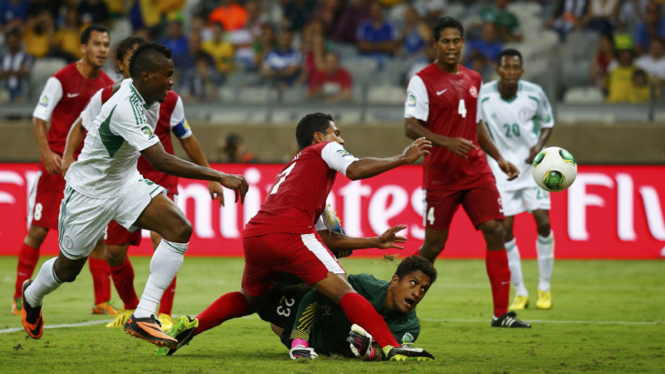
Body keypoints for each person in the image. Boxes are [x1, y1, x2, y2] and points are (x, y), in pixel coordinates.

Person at [19, 42, 249, 347]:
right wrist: (220, 175)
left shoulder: (143, 92)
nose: (171, 81)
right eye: (166, 75)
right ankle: (32, 294)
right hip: (89, 193)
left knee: (179, 229)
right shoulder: (125, 106)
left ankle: (143, 315)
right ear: (146, 76)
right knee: (68, 268)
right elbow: (161, 159)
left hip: (125, 182)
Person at [154, 113, 435, 361]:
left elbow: (328, 239)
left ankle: (193, 324)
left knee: (250, 300)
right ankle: (390, 345)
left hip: (256, 235)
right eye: (336, 133)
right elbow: (356, 169)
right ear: (319, 136)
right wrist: (404, 157)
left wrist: (374, 242)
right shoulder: (325, 149)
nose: (341, 140)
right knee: (344, 289)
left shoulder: (294, 170)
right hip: (289, 232)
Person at [62, 36, 225, 331]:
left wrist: (211, 174)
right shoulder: (107, 98)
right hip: (120, 179)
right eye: (134, 58)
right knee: (114, 252)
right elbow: (80, 127)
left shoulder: (170, 99)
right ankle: (130, 309)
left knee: (168, 234)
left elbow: (186, 138)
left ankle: (159, 313)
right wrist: (66, 160)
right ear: (126, 65)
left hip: (159, 174)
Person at [403, 17, 530, 328]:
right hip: (441, 175)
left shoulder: (474, 79)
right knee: (434, 246)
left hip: (476, 170)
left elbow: (477, 125)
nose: (451, 46)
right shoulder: (422, 80)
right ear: (435, 45)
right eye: (445, 41)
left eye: (456, 41)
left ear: (463, 43)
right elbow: (410, 126)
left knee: (496, 230)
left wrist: (498, 158)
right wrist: (447, 142)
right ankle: (396, 302)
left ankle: (501, 314)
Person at [11, 25, 116, 317]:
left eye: (106, 44)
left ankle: (101, 302)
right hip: (56, 168)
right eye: (97, 44)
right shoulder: (61, 79)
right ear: (83, 47)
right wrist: (46, 153)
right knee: (38, 229)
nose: (102, 50)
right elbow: (39, 117)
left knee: (97, 236)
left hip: (87, 173)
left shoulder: (107, 86)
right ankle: (19, 297)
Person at [479, 49, 556, 311]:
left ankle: (544, 287)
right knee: (505, 231)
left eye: (516, 68)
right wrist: (496, 157)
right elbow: (476, 127)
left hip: (532, 167)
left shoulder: (534, 93)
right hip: (501, 170)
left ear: (521, 71)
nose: (511, 72)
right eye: (506, 67)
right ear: (498, 70)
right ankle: (520, 291)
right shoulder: (484, 95)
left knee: (543, 222)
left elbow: (548, 122)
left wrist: (538, 147)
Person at [266, 255, 436, 360]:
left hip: (319, 349)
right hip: (310, 324)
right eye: (413, 283)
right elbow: (313, 297)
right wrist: (300, 342)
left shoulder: (411, 328)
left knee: (274, 322)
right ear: (394, 281)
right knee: (266, 306)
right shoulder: (363, 285)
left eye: (423, 289)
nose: (417, 293)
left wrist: (368, 352)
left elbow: (386, 352)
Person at [0, 27, 33, 102]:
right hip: (4, 90)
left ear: (19, 41)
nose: (12, 42)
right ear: (7, 42)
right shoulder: (2, 58)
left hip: (21, 91)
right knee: (3, 97)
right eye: (10, 40)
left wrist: (7, 72)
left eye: (14, 40)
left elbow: (25, 72)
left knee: (20, 100)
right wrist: (17, 71)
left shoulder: (26, 57)